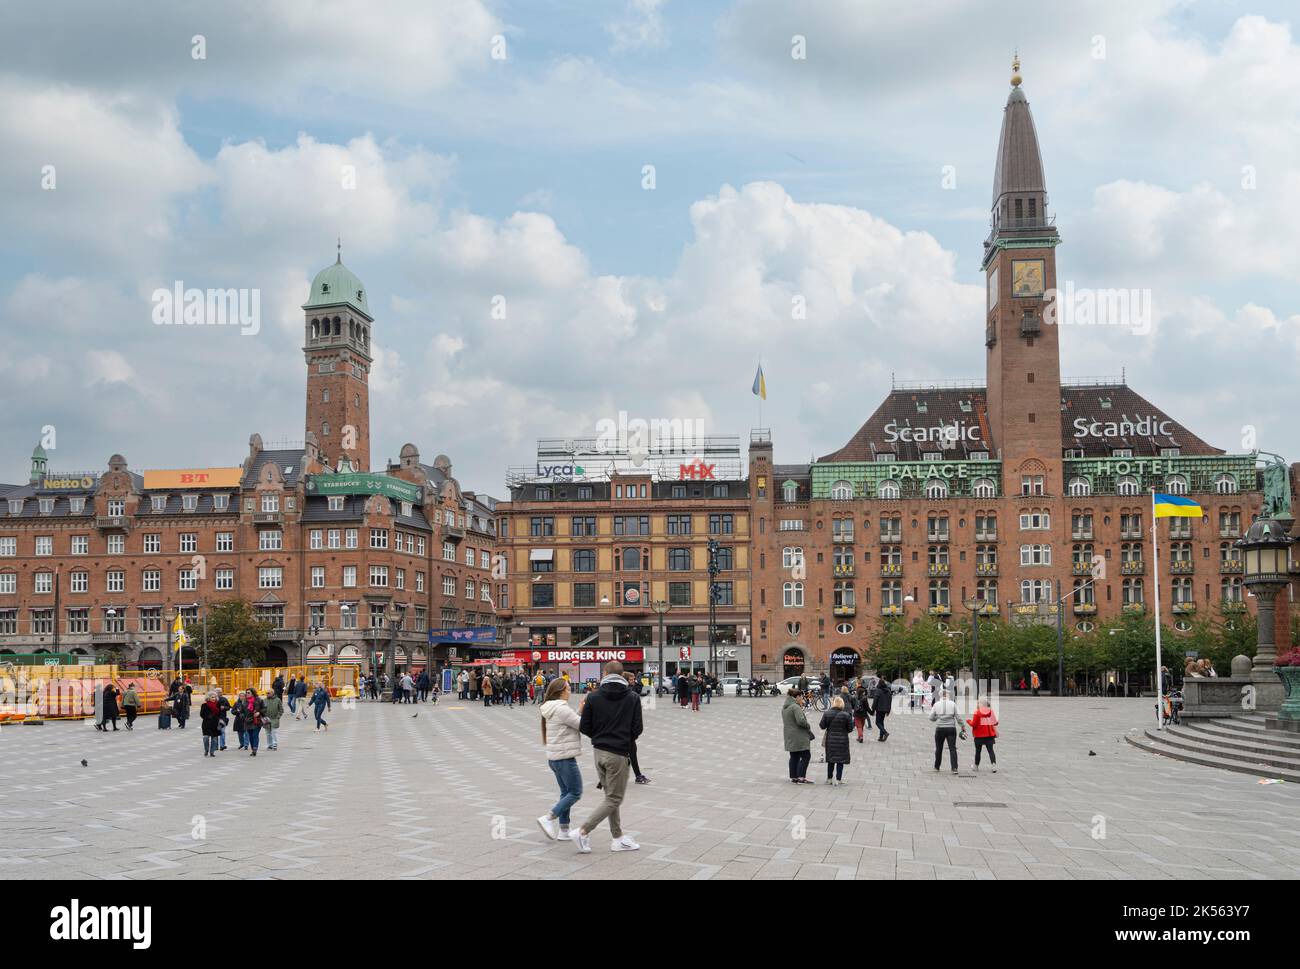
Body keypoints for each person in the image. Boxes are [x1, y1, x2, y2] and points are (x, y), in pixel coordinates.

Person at [570, 661, 644, 853]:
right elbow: (638, 728)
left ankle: (618, 837)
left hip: (599, 752)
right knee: (614, 798)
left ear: (604, 673)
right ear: (623, 675)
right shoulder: (633, 697)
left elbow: (584, 726)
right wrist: (623, 739)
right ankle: (583, 830)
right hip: (618, 753)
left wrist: (599, 736)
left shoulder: (593, 697)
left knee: (611, 796)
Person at [537, 677, 584, 841]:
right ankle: (549, 817)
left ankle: (564, 830)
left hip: (555, 757)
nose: (570, 691)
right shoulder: (562, 708)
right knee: (576, 792)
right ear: (561, 691)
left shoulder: (551, 707)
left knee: (566, 793)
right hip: (564, 758)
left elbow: (570, 723)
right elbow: (581, 725)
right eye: (568, 688)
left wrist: (579, 711)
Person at [819, 695, 854, 785]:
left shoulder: (827, 713)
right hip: (842, 741)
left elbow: (822, 726)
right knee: (840, 761)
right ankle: (839, 779)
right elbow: (850, 729)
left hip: (830, 740)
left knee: (831, 760)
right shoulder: (846, 715)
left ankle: (829, 779)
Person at [783, 689, 815, 784]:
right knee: (806, 755)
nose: (802, 698)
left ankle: (794, 777)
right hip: (799, 735)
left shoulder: (785, 707)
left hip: (789, 734)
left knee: (794, 756)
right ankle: (801, 777)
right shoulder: (795, 707)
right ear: (796, 697)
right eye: (801, 696)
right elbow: (800, 721)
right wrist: (808, 725)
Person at [623, 672, 651, 784]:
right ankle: (637, 775)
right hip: (624, 728)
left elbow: (644, 691)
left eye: (634, 679)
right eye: (631, 679)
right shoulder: (625, 692)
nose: (633, 681)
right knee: (626, 755)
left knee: (631, 754)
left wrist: (637, 682)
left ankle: (637, 775)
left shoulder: (633, 688)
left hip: (629, 728)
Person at [930, 689, 966, 773]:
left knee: (939, 748)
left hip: (940, 729)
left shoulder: (936, 704)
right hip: (951, 728)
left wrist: (938, 718)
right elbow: (958, 717)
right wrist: (962, 726)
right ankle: (954, 768)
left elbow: (931, 717)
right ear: (946, 695)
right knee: (952, 748)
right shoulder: (953, 704)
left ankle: (936, 767)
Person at [967, 697, 998, 772]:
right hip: (989, 735)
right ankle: (993, 765)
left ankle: (976, 766)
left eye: (978, 703)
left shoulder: (977, 712)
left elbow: (974, 724)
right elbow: (995, 722)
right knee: (991, 750)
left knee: (978, 751)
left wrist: (968, 721)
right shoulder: (991, 711)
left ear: (981, 704)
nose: (977, 704)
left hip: (979, 736)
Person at [242, 689, 267, 756]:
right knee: (250, 736)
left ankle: (255, 749)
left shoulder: (259, 700)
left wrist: (259, 712)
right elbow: (242, 711)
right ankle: (253, 749)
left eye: (248, 693)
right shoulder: (245, 701)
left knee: (255, 735)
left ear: (253, 693)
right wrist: (243, 716)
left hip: (257, 720)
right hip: (248, 721)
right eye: (246, 693)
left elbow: (264, 708)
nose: (247, 694)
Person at [200, 692, 222, 757]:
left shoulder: (218, 705)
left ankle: (212, 752)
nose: (213, 698)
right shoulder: (204, 705)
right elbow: (201, 714)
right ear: (208, 698)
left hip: (215, 724)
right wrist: (207, 716)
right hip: (206, 724)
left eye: (215, 697)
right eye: (212, 697)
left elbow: (220, 714)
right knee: (206, 738)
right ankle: (206, 750)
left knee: (214, 739)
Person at [871, 676, 892, 741]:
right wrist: (888, 710)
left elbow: (875, 701)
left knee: (877, 722)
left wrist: (873, 709)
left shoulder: (878, 690)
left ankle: (885, 733)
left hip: (879, 709)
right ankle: (881, 737)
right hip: (885, 709)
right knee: (881, 722)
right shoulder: (888, 691)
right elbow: (890, 701)